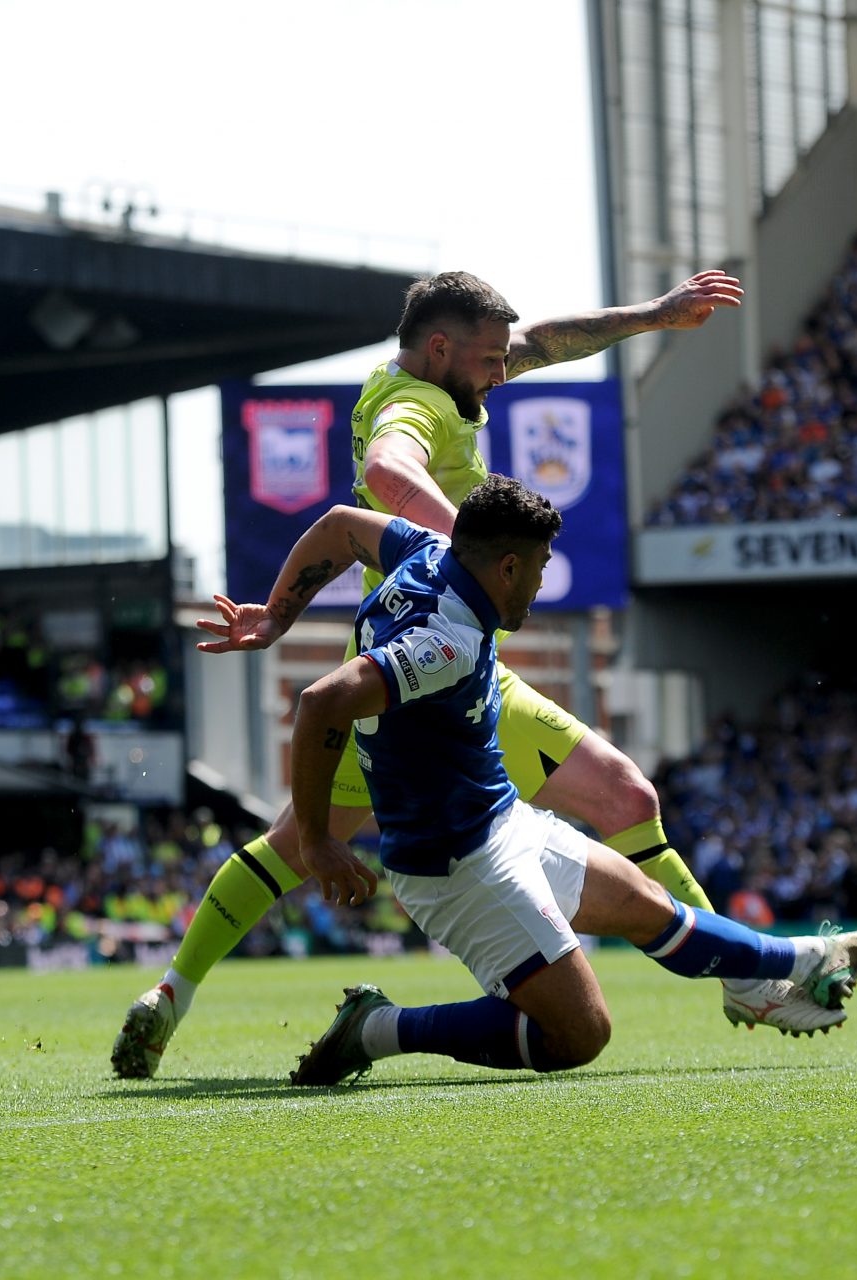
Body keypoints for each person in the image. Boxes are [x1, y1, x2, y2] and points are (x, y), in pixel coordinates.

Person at [114, 268, 749, 1078]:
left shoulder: (437, 379)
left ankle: (169, 995)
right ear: (441, 347)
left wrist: (656, 315)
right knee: (311, 842)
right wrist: (473, 554)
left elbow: (545, 341)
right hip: (425, 665)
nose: (502, 369)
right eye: (489, 358)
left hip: (446, 662)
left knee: (621, 797)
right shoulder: (410, 409)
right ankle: (742, 978)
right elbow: (385, 472)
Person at [206, 479, 857, 1084]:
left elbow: (339, 526)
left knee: (647, 905)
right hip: (457, 865)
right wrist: (320, 838)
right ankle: (377, 1029)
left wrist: (276, 616)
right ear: (506, 566)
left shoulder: (428, 551)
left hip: (501, 821)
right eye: (539, 568)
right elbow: (322, 702)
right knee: (580, 1035)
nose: (541, 585)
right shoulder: (444, 641)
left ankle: (794, 963)